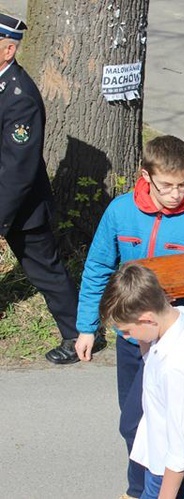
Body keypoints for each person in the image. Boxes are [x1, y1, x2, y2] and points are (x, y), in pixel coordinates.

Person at [75, 136, 184, 499]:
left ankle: (155, 487)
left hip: (168, 341)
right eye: (166, 186)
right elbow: (97, 266)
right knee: (133, 421)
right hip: (132, 339)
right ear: (146, 176)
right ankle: (138, 486)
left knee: (170, 423)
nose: (176, 194)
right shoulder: (120, 211)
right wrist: (86, 327)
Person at [0, 13, 100, 365]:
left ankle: (78, 335)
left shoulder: (19, 97)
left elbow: (18, 171)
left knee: (46, 271)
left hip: (20, 207)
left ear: (9, 49)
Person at [99, 263, 184, 499]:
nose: (126, 337)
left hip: (174, 470)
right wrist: (144, 343)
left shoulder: (177, 367)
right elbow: (151, 358)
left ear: (147, 320)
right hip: (162, 454)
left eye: (126, 330)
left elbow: (180, 451)